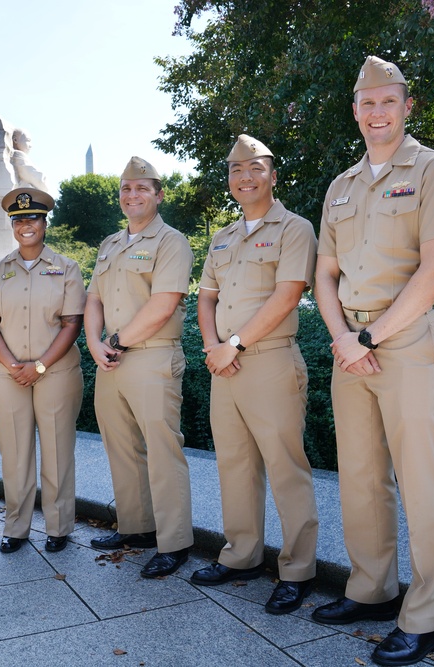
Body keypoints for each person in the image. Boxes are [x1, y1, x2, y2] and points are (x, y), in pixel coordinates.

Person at [311, 56, 434, 666]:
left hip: (401, 345)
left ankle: (425, 619)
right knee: (360, 477)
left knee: (419, 481)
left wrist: (368, 339)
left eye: (388, 102)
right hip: (348, 346)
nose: (377, 112)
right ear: (355, 112)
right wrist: (343, 339)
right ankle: (371, 591)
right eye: (366, 104)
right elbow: (324, 275)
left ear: (407, 106)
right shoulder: (340, 187)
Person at [191, 134, 320, 614]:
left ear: (272, 174)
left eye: (255, 169)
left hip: (268, 360)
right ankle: (242, 555)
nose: (244, 178)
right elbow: (205, 297)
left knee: (287, 469)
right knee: (235, 465)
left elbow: (287, 296)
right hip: (222, 365)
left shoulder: (294, 228)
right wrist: (212, 347)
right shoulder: (223, 236)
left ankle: (298, 571)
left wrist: (235, 344)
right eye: (236, 171)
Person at [85, 156, 195, 578]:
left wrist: (113, 342)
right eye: (127, 189)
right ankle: (136, 528)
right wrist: (94, 343)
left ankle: (174, 542)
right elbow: (93, 298)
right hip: (110, 359)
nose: (133, 195)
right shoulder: (110, 244)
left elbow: (163, 303)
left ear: (158, 194)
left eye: (142, 188)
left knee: (163, 451)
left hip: (151, 356)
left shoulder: (172, 242)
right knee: (122, 448)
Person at [0, 187, 86, 554]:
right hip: (8, 374)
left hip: (55, 372)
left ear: (44, 222)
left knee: (57, 449)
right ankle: (16, 527)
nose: (26, 224)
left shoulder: (67, 268)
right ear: (12, 225)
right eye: (19, 219)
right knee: (15, 450)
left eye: (33, 218)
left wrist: (38, 365)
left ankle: (58, 526)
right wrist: (13, 365)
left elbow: (72, 323)